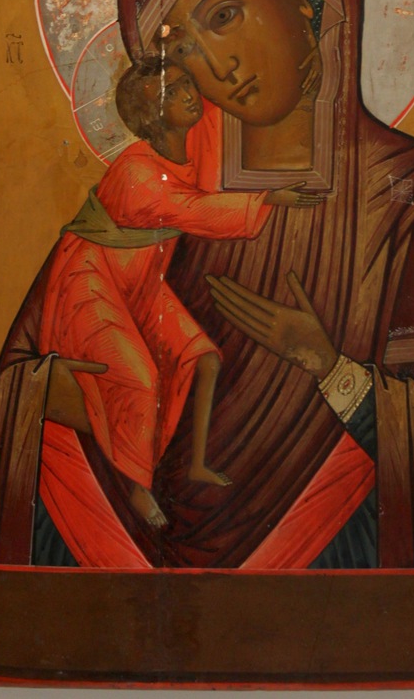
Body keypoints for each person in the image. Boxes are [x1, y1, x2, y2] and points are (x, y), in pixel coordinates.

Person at [0, 0, 414, 570]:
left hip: (336, 571)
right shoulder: (153, 197)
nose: (216, 65)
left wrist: (332, 372)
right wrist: (88, 397)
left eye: (225, 14)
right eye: (181, 51)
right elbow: (26, 386)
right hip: (127, 564)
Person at [36, 55, 323, 532]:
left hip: (140, 281)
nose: (190, 95)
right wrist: (268, 198)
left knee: (203, 358)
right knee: (140, 378)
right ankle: (137, 486)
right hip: (90, 284)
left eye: (187, 83)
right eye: (172, 94)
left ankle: (196, 464)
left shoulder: (186, 150)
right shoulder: (135, 172)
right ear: (151, 118)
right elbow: (189, 210)